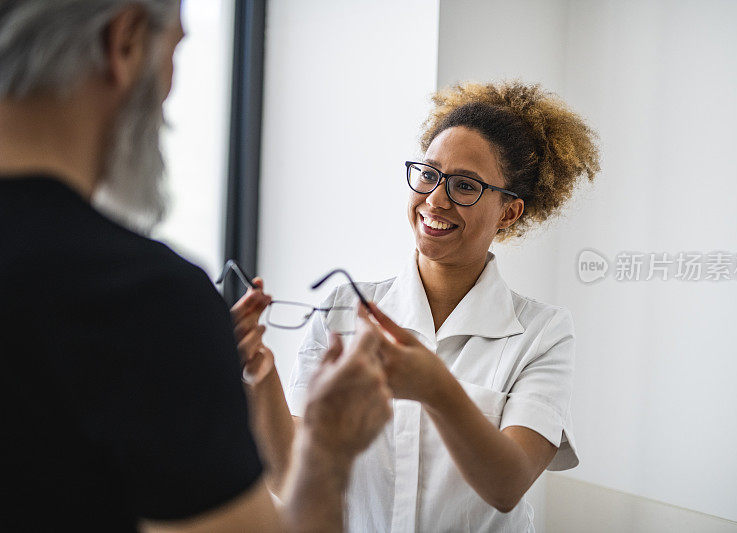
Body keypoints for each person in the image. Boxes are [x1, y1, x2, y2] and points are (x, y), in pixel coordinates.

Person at [0, 1, 392, 531]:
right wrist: (327, 452)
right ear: (125, 40)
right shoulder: (142, 301)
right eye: (175, 50)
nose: (168, 95)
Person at [238, 80, 601, 532]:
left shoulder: (542, 334)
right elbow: (290, 472)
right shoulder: (344, 308)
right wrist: (257, 368)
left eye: (464, 185)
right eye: (428, 174)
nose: (435, 199)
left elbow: (507, 485)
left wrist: (436, 390)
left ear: (509, 213)